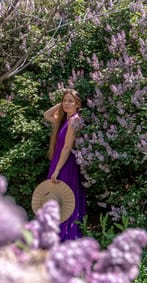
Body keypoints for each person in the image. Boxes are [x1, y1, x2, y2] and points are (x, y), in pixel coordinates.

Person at [44, 88, 86, 242]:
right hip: (58, 161)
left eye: (71, 101)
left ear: (77, 105)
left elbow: (68, 147)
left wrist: (57, 170)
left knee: (64, 199)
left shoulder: (74, 120)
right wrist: (61, 105)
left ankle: (64, 236)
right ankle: (54, 233)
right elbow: (46, 115)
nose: (67, 104)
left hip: (65, 164)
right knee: (56, 197)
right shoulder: (64, 120)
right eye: (65, 100)